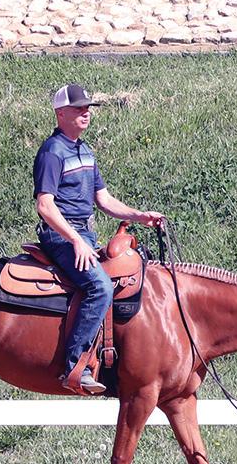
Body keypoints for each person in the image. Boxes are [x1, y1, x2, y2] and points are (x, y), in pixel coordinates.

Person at [35, 84, 164, 395]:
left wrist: (138, 215)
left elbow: (103, 199)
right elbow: (45, 205)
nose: (86, 113)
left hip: (84, 234)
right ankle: (75, 365)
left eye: (88, 108)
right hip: (61, 236)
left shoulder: (85, 151)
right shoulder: (52, 152)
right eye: (79, 108)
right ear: (60, 113)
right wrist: (75, 240)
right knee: (100, 286)